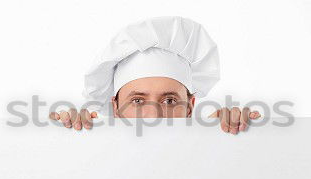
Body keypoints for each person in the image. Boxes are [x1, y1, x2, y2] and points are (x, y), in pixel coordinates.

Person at [49, 16, 260, 134]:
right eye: (138, 100)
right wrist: (66, 138)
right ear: (116, 108)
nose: (154, 115)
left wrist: (230, 137)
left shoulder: (210, 154)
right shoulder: (97, 161)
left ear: (190, 107)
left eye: (169, 100)